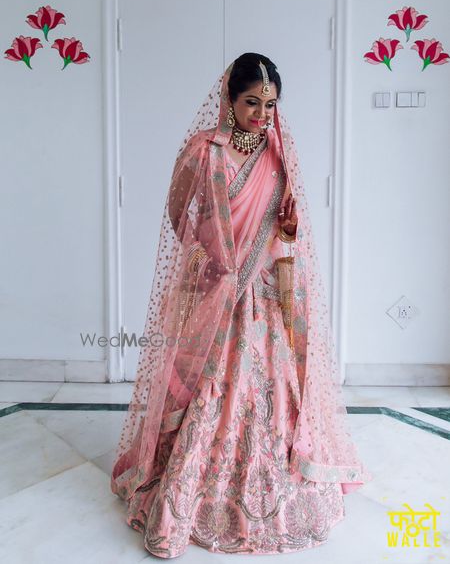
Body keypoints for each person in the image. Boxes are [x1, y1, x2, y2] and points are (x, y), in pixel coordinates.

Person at [110, 52, 372, 557]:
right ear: (229, 100)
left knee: (269, 393)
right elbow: (177, 214)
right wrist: (212, 255)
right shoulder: (203, 152)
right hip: (217, 292)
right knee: (209, 390)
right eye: (252, 102)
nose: (262, 114)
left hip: (266, 294)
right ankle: (183, 498)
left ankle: (267, 494)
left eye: (270, 105)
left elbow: (284, 224)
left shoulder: (277, 151)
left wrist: (287, 226)